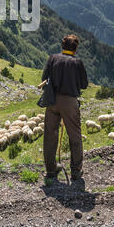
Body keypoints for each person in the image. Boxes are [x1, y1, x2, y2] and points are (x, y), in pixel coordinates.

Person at [41, 34, 88, 181]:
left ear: (62, 46)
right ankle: (75, 171)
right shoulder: (77, 62)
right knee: (74, 135)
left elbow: (44, 78)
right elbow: (84, 84)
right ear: (75, 48)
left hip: (52, 100)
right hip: (69, 102)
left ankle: (51, 169)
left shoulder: (53, 58)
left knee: (50, 134)